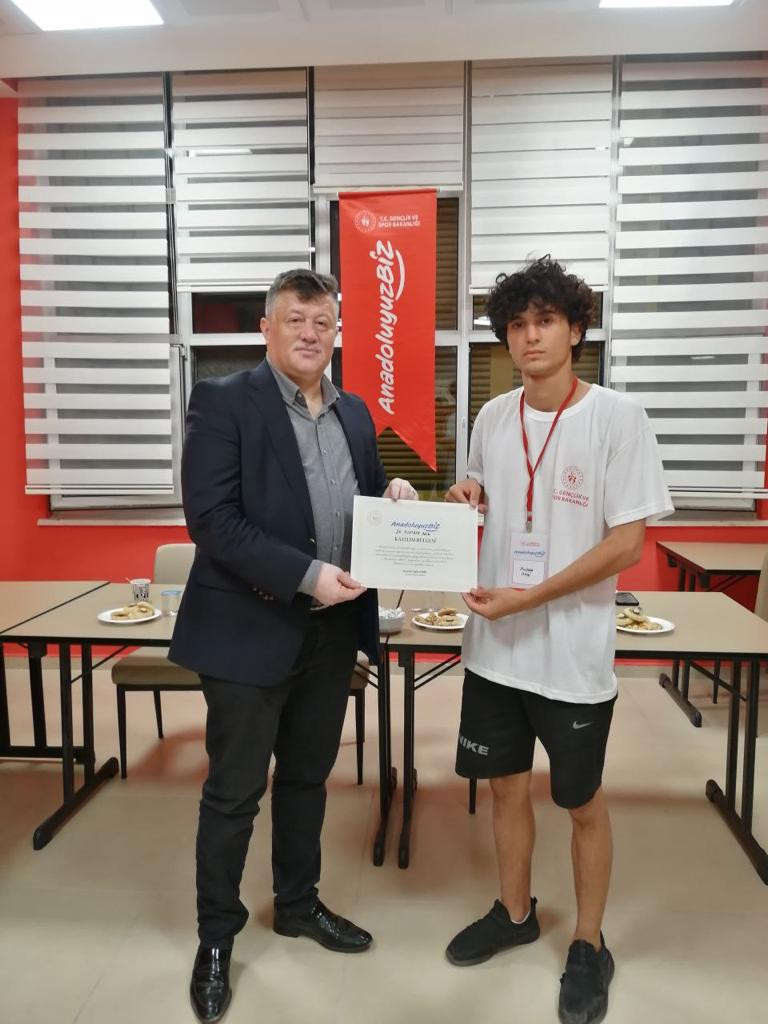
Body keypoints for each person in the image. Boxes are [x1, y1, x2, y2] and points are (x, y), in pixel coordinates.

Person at [169, 268, 417, 1023]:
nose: (311, 334)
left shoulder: (355, 412)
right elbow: (212, 520)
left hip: (331, 634)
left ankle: (298, 904)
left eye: (323, 322)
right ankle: (217, 939)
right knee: (234, 791)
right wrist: (308, 576)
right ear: (268, 329)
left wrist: (395, 497)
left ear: (337, 332)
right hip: (247, 632)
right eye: (296, 319)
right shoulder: (223, 402)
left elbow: (365, 501)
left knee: (308, 780)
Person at [445, 256, 672, 1024]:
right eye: (516, 324)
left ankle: (588, 942)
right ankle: (514, 913)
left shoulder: (618, 418)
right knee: (505, 787)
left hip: (571, 654)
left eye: (545, 320)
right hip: (495, 650)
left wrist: (531, 597)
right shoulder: (491, 417)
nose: (530, 336)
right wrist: (466, 496)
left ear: (576, 329)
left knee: (580, 802)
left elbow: (626, 544)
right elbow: (483, 496)